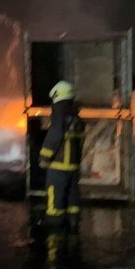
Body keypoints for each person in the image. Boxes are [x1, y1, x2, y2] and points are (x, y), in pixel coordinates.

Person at [38, 81, 85, 230]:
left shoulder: (59, 113)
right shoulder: (76, 116)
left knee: (55, 200)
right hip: (73, 168)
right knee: (72, 199)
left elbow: (55, 136)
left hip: (58, 168)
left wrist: (44, 157)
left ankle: (55, 233)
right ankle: (73, 228)